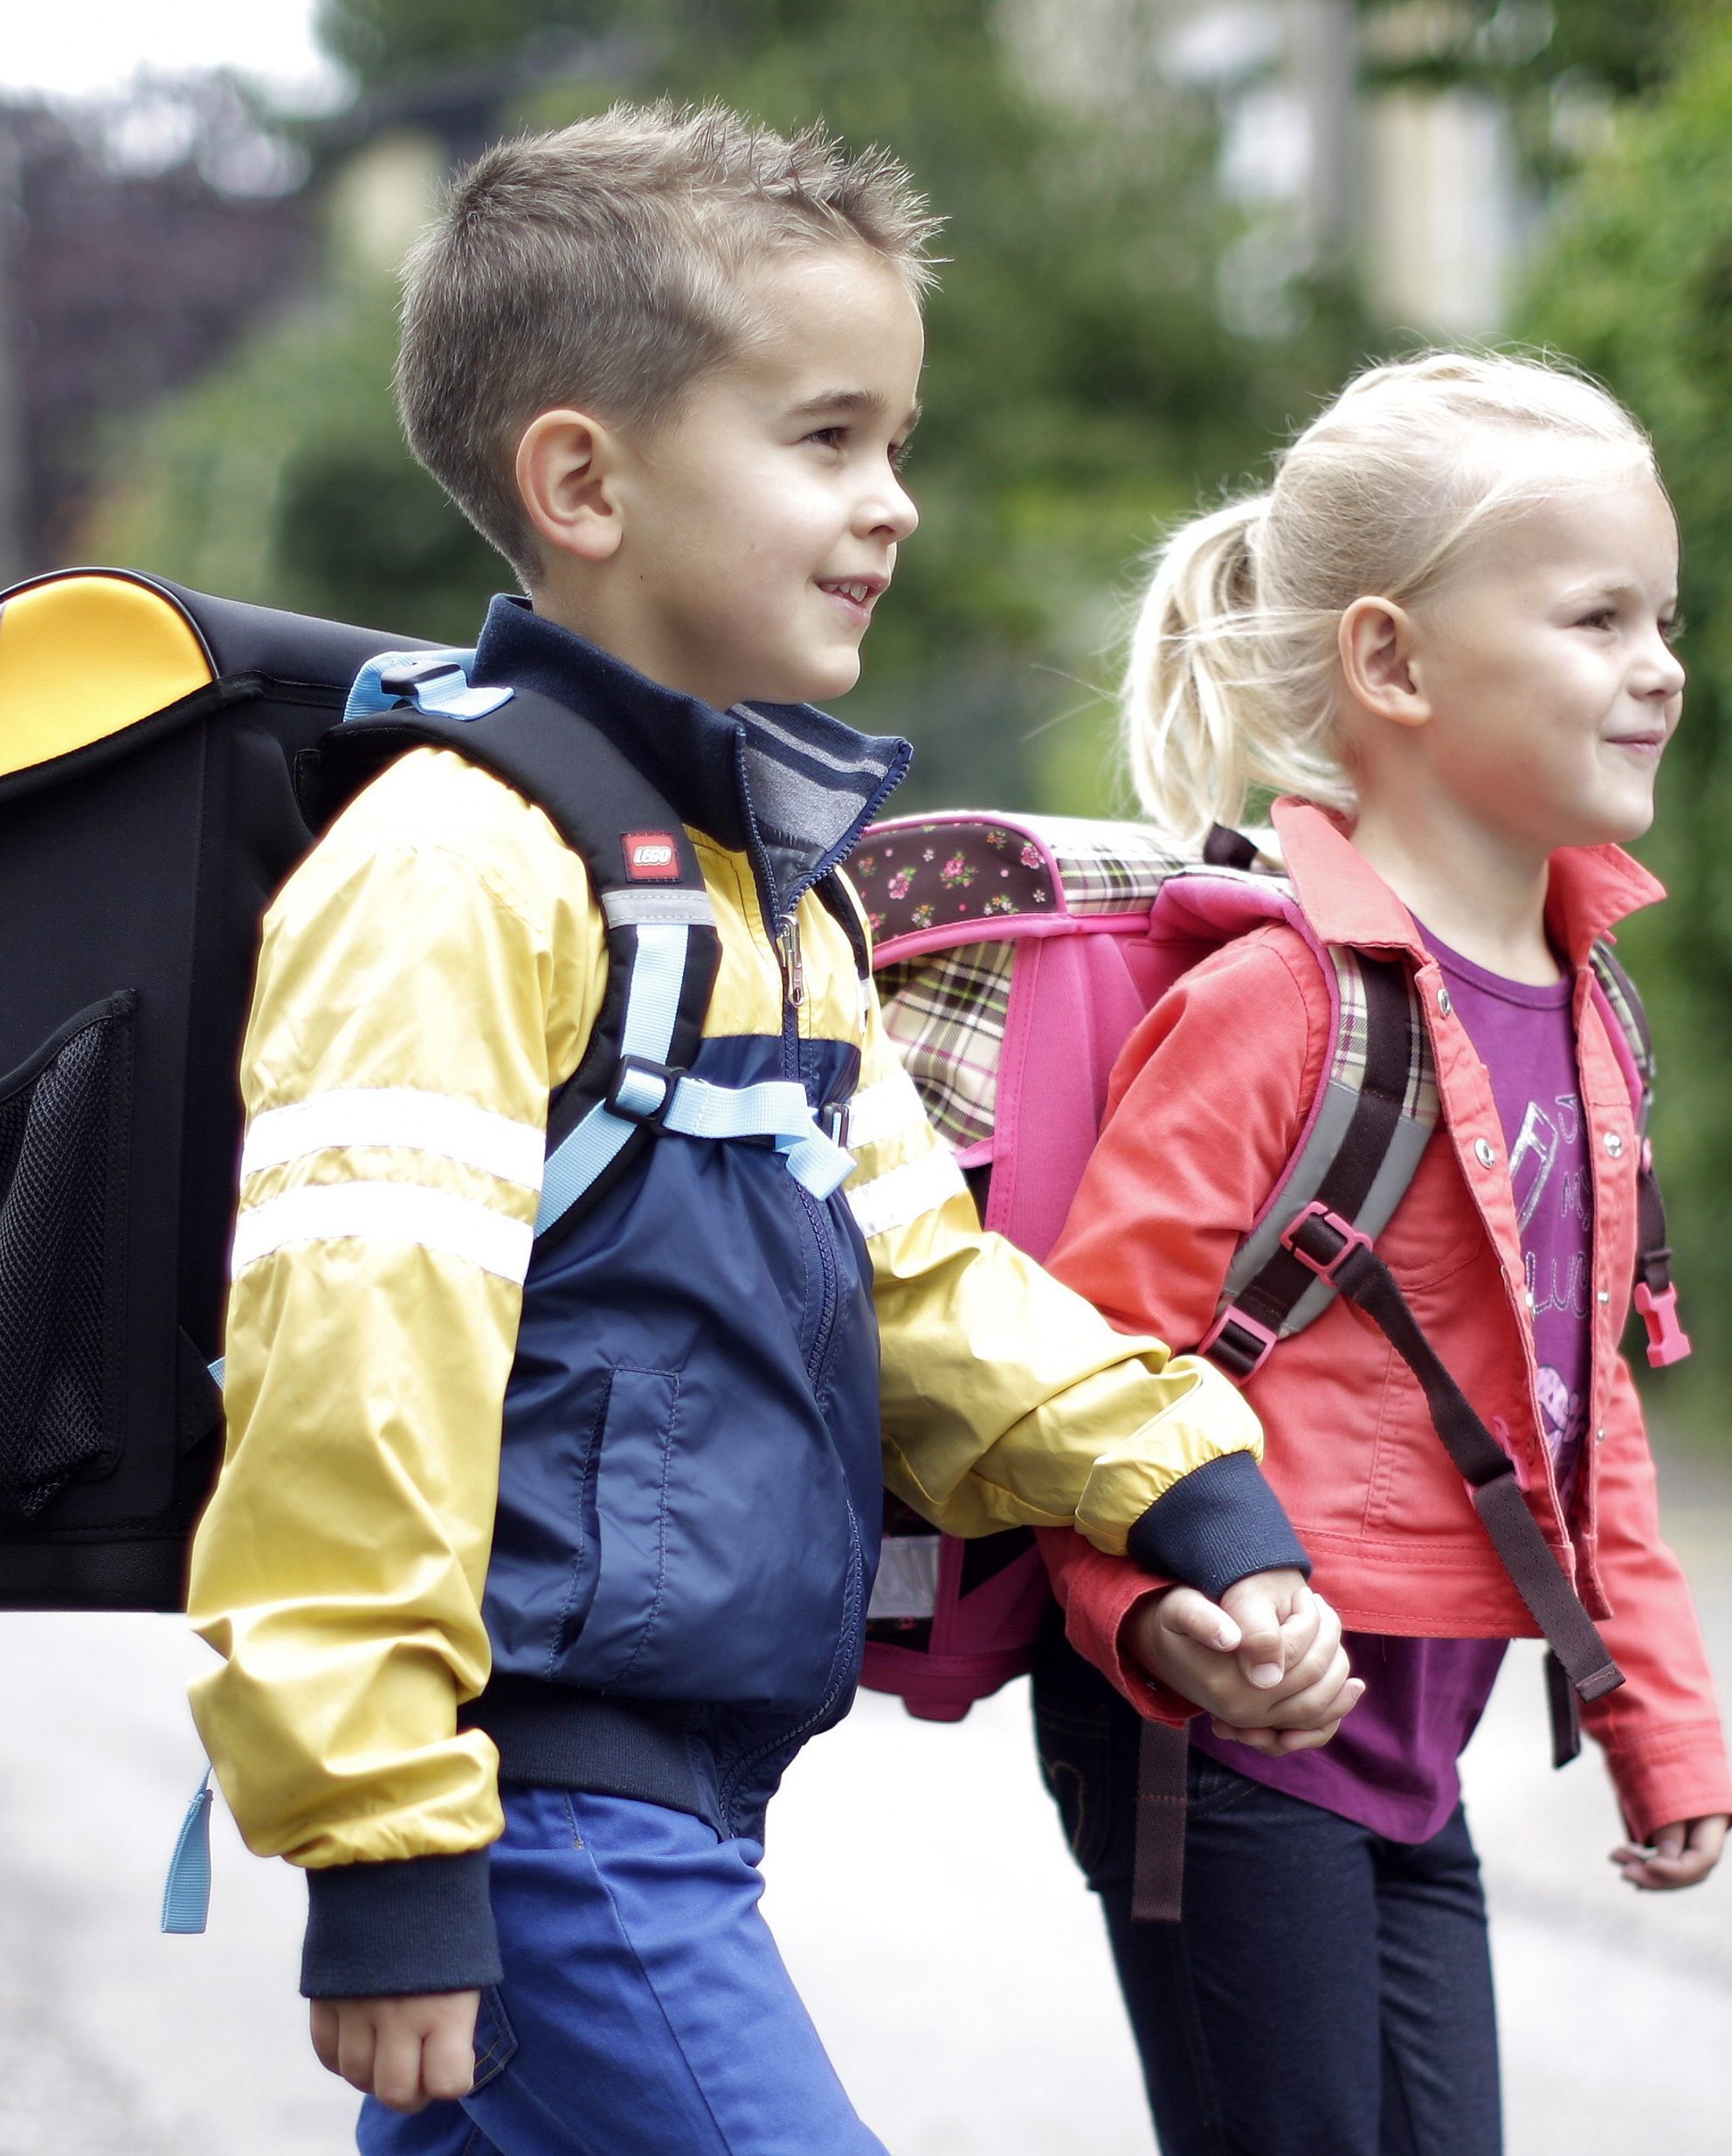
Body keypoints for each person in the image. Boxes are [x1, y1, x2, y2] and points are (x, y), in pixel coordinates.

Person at [183, 103, 1355, 2156]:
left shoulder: (768, 894)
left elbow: (918, 1276)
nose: (889, 502)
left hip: (682, 1791)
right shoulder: (456, 869)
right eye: (823, 439)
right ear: (582, 481)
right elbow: (345, 1365)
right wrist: (380, 1834)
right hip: (538, 1805)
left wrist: (1186, 1489)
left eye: (893, 442)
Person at [1033, 351, 1732, 2156]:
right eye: (1596, 616)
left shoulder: (1586, 1008)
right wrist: (1156, 1618)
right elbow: (1089, 1369)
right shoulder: (1273, 1009)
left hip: (1415, 1758)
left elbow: (1583, 1411)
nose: (1659, 663)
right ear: (1393, 663)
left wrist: (1656, 1722)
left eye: (1664, 614)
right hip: (1227, 1731)